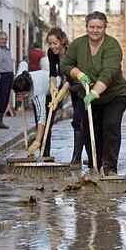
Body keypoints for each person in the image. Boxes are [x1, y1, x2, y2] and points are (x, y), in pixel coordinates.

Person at [61, 11, 126, 176]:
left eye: (99, 27)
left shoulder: (112, 45)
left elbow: (109, 72)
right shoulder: (78, 45)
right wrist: (79, 74)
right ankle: (95, 166)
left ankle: (110, 167)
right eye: (92, 27)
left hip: (113, 95)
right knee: (90, 131)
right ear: (87, 27)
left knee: (111, 126)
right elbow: (65, 64)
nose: (95, 30)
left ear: (105, 27)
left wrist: (94, 93)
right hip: (86, 95)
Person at [47, 27, 88, 169]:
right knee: (82, 122)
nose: (52, 47)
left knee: (79, 120)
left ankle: (77, 159)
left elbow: (70, 78)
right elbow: (53, 72)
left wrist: (59, 96)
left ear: (62, 41)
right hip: (71, 89)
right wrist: (53, 88)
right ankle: (90, 156)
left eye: (55, 43)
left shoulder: (72, 52)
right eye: (50, 44)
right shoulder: (51, 53)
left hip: (83, 87)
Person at [13, 61, 65, 157]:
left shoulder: (37, 91)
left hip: (54, 88)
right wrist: (21, 95)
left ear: (28, 90)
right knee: (38, 123)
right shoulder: (19, 78)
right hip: (42, 80)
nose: (21, 97)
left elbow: (42, 117)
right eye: (18, 94)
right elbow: (23, 63)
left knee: (46, 124)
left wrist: (37, 141)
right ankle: (40, 150)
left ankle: (45, 155)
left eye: (23, 94)